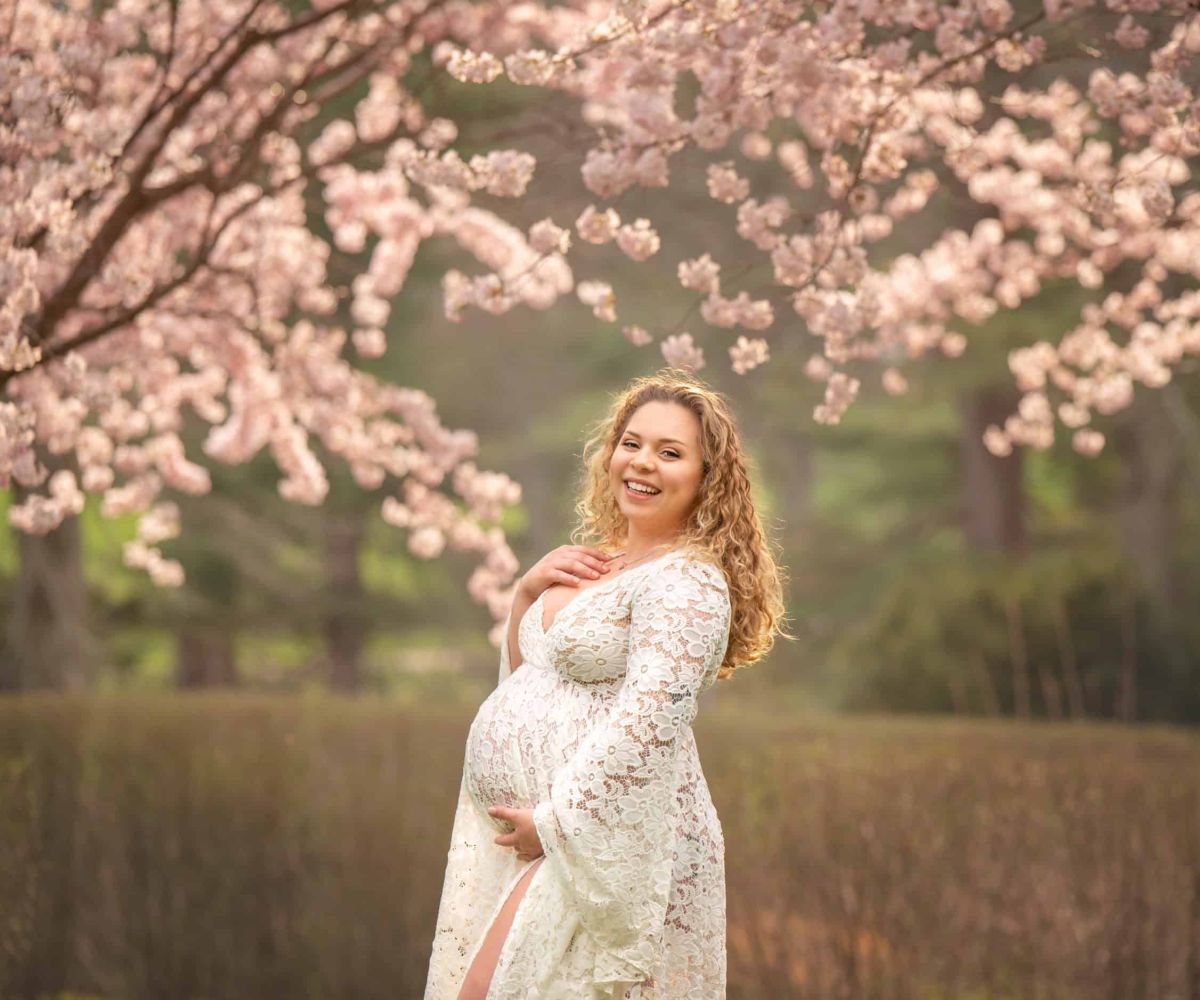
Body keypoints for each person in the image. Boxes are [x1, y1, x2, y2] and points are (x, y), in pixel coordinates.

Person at [424, 368, 789, 1000]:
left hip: (604, 844)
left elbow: (651, 719)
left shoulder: (688, 582)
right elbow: (528, 682)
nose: (642, 462)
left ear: (707, 477)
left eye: (670, 453)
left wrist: (559, 822)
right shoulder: (598, 563)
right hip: (538, 843)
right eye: (632, 443)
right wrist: (525, 594)